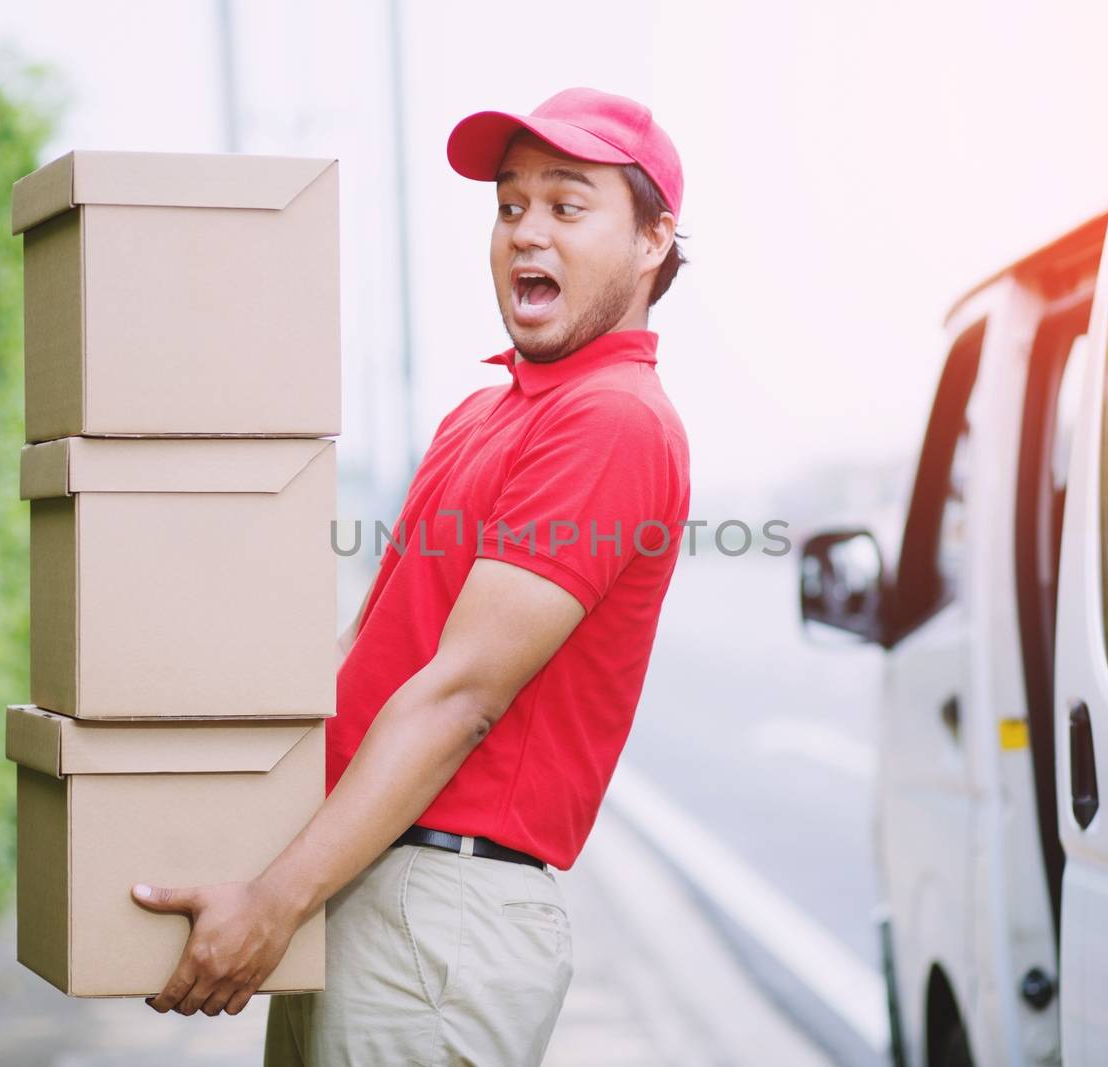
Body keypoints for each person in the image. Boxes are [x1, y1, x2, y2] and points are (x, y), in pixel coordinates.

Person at [130, 86, 692, 1066]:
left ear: (651, 240)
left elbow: (461, 696)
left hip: (443, 911)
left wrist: (276, 897)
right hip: (360, 872)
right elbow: (368, 647)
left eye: (566, 206)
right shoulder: (480, 416)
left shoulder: (611, 418)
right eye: (509, 204)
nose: (526, 232)